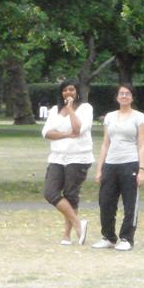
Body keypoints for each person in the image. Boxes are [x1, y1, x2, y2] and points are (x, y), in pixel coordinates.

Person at [93, 84, 144, 251]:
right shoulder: (109, 117)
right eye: (121, 93)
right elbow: (105, 144)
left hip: (130, 163)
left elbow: (141, 145)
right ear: (117, 97)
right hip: (110, 164)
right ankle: (108, 237)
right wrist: (99, 168)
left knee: (129, 203)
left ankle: (127, 238)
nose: (124, 96)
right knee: (106, 202)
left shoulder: (139, 117)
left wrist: (142, 170)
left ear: (132, 97)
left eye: (127, 94)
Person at [41, 79, 93, 245]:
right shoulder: (55, 110)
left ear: (77, 91)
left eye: (71, 90)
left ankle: (67, 235)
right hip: (57, 157)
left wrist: (70, 109)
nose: (68, 93)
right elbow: (46, 133)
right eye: (65, 90)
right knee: (50, 192)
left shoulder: (85, 108)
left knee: (71, 195)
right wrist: (65, 134)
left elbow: (78, 129)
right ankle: (79, 224)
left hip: (78, 157)